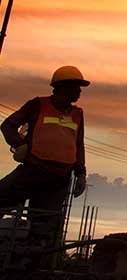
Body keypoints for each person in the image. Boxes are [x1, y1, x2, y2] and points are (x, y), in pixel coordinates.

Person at [0, 66, 89, 255]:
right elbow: (8, 125)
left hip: (59, 179)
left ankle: (31, 263)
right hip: (32, 171)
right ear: (63, 87)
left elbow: (78, 144)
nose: (80, 92)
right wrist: (19, 144)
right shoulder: (38, 105)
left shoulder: (77, 114)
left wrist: (80, 173)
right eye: (76, 87)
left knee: (45, 227)